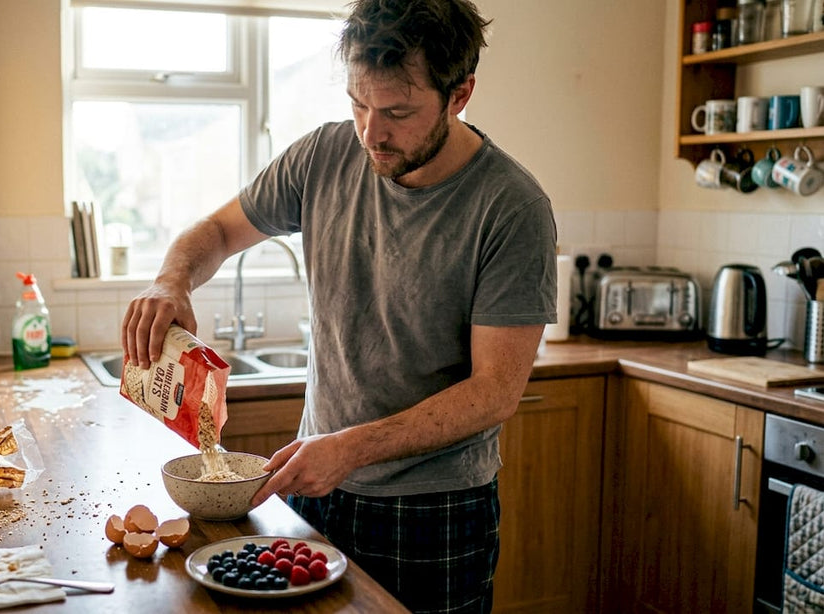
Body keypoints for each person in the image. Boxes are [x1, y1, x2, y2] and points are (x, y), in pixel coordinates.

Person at [122, 0, 557, 611]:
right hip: (315, 487)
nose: (371, 133)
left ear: (460, 95)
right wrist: (171, 280)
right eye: (358, 103)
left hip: (434, 513)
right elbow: (218, 232)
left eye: (398, 112)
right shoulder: (322, 157)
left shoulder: (511, 208)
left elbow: (494, 392)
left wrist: (350, 447)